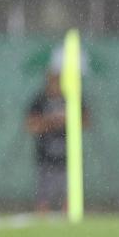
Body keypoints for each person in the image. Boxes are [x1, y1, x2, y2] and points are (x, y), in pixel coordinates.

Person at [26, 70, 89, 213]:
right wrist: (50, 122)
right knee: (43, 197)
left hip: (69, 157)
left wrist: (67, 120)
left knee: (70, 197)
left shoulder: (72, 99)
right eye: (52, 80)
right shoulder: (40, 100)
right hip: (45, 157)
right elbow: (31, 125)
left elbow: (85, 122)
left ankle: (68, 226)